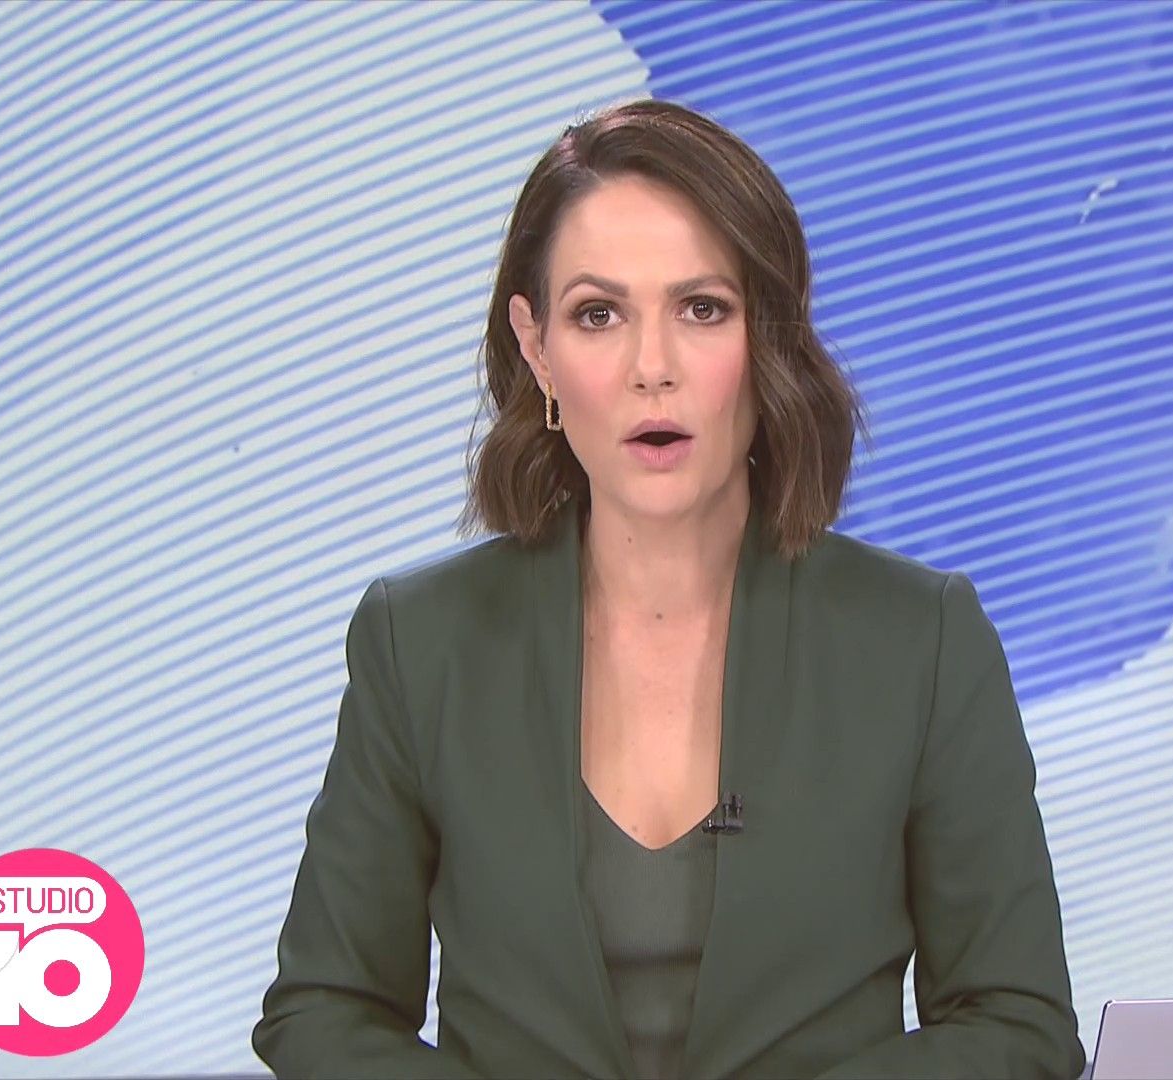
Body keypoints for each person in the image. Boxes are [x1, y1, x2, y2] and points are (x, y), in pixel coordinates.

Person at [252, 97, 1085, 1080]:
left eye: (702, 309)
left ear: (767, 339)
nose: (653, 369)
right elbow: (324, 1012)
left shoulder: (920, 642)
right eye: (598, 315)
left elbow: (1018, 1025)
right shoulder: (420, 643)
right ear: (536, 348)